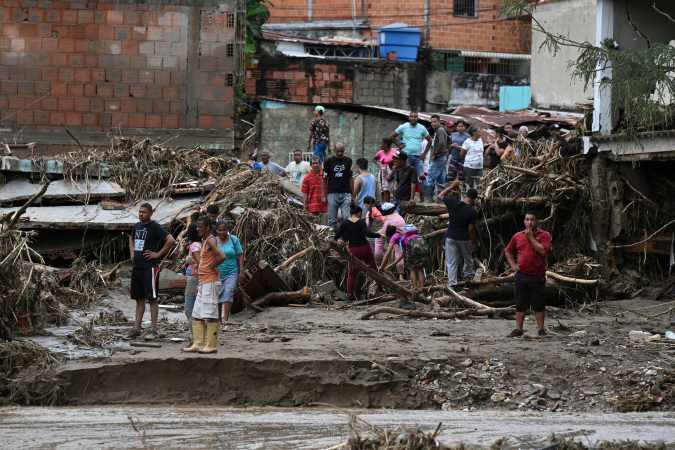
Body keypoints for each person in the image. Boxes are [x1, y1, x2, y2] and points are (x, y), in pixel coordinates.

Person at [128, 203, 176, 339]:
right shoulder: (137, 226)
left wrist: (157, 254)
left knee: (152, 299)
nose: (141, 214)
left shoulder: (154, 226)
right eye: (140, 212)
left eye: (144, 212)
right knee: (139, 299)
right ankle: (136, 327)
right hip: (137, 267)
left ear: (150, 213)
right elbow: (131, 239)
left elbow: (171, 240)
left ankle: (154, 328)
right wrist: (132, 252)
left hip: (150, 268)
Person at [504, 212, 552, 338]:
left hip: (538, 275)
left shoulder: (545, 235)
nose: (529, 222)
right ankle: (518, 329)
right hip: (522, 275)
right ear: (524, 221)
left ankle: (541, 329)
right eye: (527, 219)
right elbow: (508, 251)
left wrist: (531, 237)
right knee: (520, 303)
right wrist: (513, 266)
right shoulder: (518, 236)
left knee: (539, 304)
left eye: (532, 219)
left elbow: (542, 251)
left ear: (537, 221)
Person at [183, 216, 225, 353]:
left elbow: (222, 256)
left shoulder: (211, 240)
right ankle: (198, 343)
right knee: (197, 313)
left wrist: (211, 267)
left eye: (200, 226)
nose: (197, 229)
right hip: (203, 281)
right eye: (197, 226)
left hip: (210, 281)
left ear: (207, 227)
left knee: (211, 313)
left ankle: (211, 345)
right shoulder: (205, 240)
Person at [437, 180, 478, 288]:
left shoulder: (453, 203)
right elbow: (470, 229)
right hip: (464, 238)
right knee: (468, 259)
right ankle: (468, 279)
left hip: (450, 237)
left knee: (451, 262)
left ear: (466, 196)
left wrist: (452, 186)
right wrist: (473, 242)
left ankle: (452, 284)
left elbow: (440, 195)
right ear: (474, 198)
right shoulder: (472, 211)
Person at [334, 205, 380, 300]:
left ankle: (350, 294)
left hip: (353, 250)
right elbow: (367, 233)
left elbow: (336, 235)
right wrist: (379, 235)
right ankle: (380, 286)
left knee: (352, 273)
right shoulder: (361, 222)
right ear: (358, 213)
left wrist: (339, 240)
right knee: (373, 268)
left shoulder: (345, 223)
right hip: (365, 248)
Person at [392, 111, 430, 192]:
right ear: (408, 117)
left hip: (418, 157)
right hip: (406, 157)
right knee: (406, 177)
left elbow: (430, 140)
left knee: (421, 176)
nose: (413, 118)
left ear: (418, 118)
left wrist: (424, 153)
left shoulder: (422, 128)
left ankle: (423, 197)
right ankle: (404, 195)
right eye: (411, 116)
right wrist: (399, 145)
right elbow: (392, 136)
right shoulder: (404, 126)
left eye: (415, 117)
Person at [215, 220, 243, 326]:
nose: (222, 232)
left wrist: (241, 270)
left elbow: (240, 255)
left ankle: (225, 319)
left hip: (232, 271)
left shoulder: (234, 239)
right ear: (216, 231)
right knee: (218, 295)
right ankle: (218, 319)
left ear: (228, 230)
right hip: (217, 272)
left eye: (224, 230)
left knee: (228, 292)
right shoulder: (214, 241)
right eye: (220, 230)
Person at [368, 201, 406, 279]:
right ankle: (401, 275)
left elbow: (385, 235)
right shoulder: (398, 216)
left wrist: (383, 266)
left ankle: (378, 263)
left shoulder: (387, 219)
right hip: (402, 231)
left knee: (378, 240)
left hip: (393, 233)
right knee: (399, 251)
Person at [384, 224, 427, 289]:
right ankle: (422, 289)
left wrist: (387, 265)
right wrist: (394, 263)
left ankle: (415, 289)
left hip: (411, 249)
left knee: (412, 269)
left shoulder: (396, 238)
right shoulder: (404, 234)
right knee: (420, 270)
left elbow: (403, 253)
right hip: (421, 246)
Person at [323, 143, 353, 230]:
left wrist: (353, 194)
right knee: (332, 220)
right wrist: (324, 195)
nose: (340, 153)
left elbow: (350, 178)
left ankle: (345, 239)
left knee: (346, 218)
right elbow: (325, 179)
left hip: (346, 193)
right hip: (332, 193)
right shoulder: (328, 161)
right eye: (338, 151)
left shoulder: (348, 161)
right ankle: (332, 240)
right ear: (334, 151)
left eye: (342, 151)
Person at [424, 114, 448, 201]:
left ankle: (428, 199)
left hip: (438, 157)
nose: (433, 124)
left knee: (430, 177)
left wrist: (435, 153)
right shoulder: (439, 130)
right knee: (440, 179)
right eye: (431, 122)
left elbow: (441, 143)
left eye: (435, 122)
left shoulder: (440, 130)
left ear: (439, 121)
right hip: (442, 157)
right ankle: (440, 200)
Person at [183, 220, 201, 322]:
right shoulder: (203, 244)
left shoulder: (195, 246)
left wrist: (190, 261)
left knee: (189, 308)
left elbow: (199, 262)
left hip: (194, 276)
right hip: (198, 276)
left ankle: (196, 334)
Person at [373, 138, 397, 203]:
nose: (380, 145)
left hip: (393, 170)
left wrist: (392, 172)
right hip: (383, 171)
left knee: (393, 189)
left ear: (386, 145)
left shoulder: (394, 151)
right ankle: (386, 204)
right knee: (385, 189)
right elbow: (374, 159)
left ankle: (393, 204)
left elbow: (397, 162)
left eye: (382, 144)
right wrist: (379, 164)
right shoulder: (380, 152)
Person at [461, 127, 484, 192]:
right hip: (469, 167)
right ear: (474, 133)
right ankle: (466, 200)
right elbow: (462, 154)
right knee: (468, 185)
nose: (481, 133)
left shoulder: (480, 140)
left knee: (479, 185)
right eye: (479, 131)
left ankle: (477, 200)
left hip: (479, 167)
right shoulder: (467, 142)